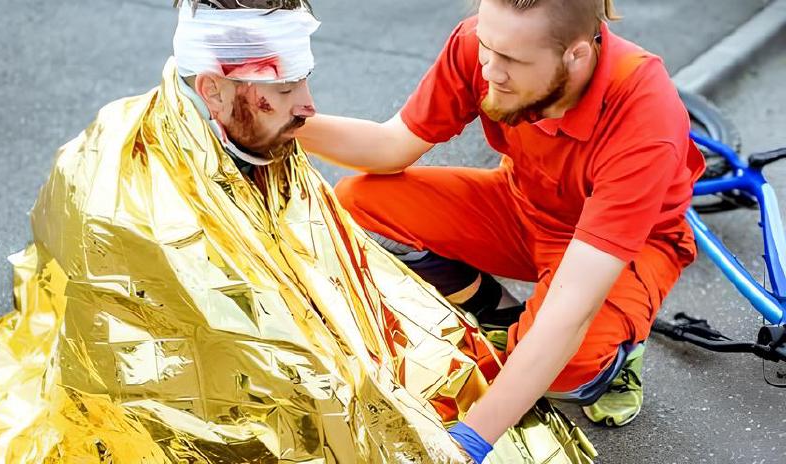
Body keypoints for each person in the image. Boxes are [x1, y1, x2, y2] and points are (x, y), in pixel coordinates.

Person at [0, 1, 596, 462]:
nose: (307, 105)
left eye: (302, 82)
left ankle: (602, 355)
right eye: (284, 90)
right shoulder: (119, 188)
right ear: (213, 91)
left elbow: (339, 228)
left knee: (555, 358)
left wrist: (473, 435)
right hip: (523, 209)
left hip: (598, 242)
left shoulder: (254, 133)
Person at [297, 0, 706, 461]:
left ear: (576, 54)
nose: (490, 68)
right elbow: (391, 146)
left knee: (563, 367)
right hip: (524, 204)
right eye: (487, 47)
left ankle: (614, 362)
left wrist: (469, 443)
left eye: (511, 59)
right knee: (359, 204)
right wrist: (284, 123)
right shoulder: (484, 45)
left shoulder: (644, 112)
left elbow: (571, 307)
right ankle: (503, 320)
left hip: (629, 246)